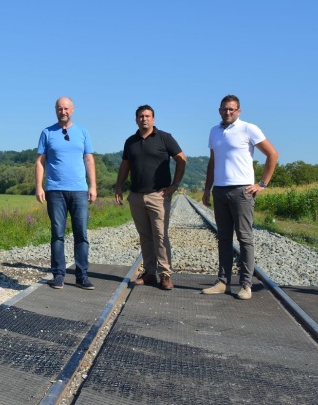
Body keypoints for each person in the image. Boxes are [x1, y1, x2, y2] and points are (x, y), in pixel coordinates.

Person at [201, 94, 278, 300]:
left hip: (242, 190)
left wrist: (262, 184)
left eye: (232, 109)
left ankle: (246, 285)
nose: (228, 112)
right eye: (225, 109)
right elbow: (212, 162)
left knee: (244, 238)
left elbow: (272, 154)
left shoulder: (248, 129)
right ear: (219, 110)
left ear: (239, 111)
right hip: (220, 190)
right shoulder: (214, 131)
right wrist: (207, 189)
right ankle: (222, 282)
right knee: (224, 238)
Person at [115, 105, 187, 291]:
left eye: (147, 116)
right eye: (140, 116)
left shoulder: (165, 138)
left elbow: (181, 159)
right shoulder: (130, 141)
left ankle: (165, 274)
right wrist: (119, 186)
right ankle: (149, 273)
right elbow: (125, 165)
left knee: (160, 236)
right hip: (136, 196)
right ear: (136, 119)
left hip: (158, 195)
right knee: (145, 236)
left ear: (153, 119)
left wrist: (175, 185)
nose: (144, 119)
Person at [35, 97, 97, 290]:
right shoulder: (47, 132)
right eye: (60, 108)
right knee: (57, 234)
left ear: (73, 109)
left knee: (81, 234)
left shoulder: (83, 132)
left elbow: (89, 160)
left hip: (79, 190)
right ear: (55, 110)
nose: (63, 111)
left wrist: (93, 186)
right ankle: (58, 274)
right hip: (55, 190)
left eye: (66, 108)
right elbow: (40, 161)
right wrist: (39, 186)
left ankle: (82, 275)